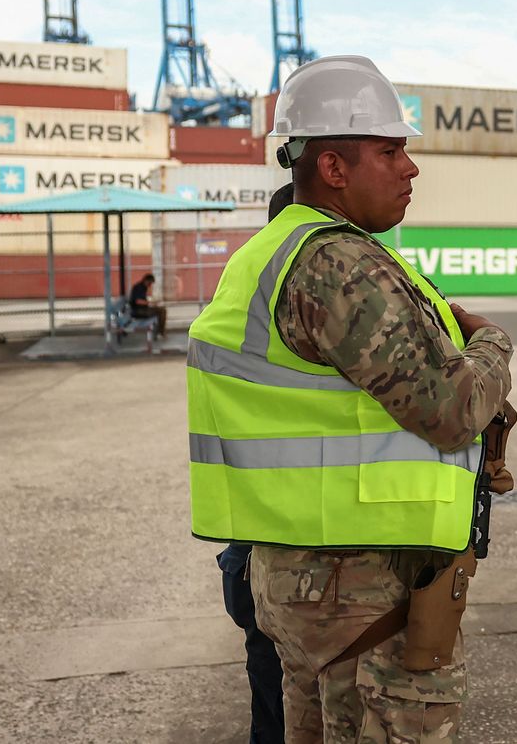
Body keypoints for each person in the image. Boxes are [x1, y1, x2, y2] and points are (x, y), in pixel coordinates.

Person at [187, 55, 515, 743]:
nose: (410, 168)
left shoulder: (275, 250)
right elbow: (450, 409)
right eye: (390, 150)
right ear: (333, 167)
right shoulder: (338, 263)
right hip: (357, 585)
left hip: (302, 574)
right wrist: (492, 345)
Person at [213, 181, 296, 744]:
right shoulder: (317, 288)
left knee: (269, 687)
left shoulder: (240, 282)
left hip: (250, 527)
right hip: (295, 536)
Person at [129, 272, 167, 336]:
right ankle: (161, 332)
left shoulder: (143, 287)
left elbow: (142, 300)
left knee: (161, 310)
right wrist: (151, 303)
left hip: (142, 309)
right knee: (162, 311)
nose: (150, 285)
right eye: (150, 283)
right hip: (138, 311)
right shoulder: (138, 287)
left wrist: (152, 303)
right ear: (146, 280)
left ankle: (160, 331)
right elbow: (138, 301)